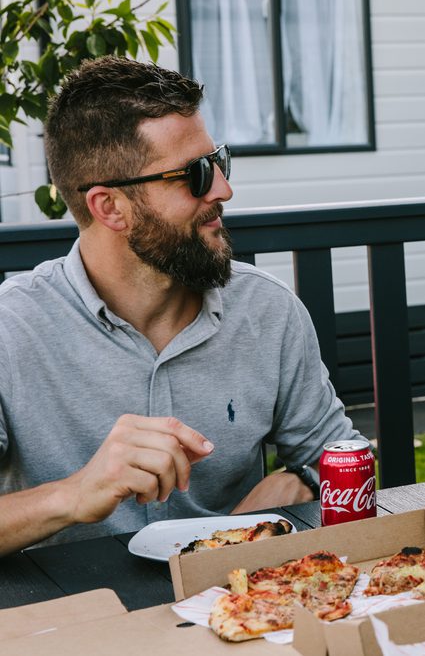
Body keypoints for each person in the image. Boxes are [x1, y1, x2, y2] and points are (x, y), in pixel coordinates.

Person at [0, 56, 360, 555]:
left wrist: (286, 499)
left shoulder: (267, 311)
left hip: (243, 607)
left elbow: (338, 464)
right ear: (110, 208)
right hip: (71, 619)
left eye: (219, 162)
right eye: (194, 175)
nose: (223, 189)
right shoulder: (10, 330)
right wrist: (74, 495)